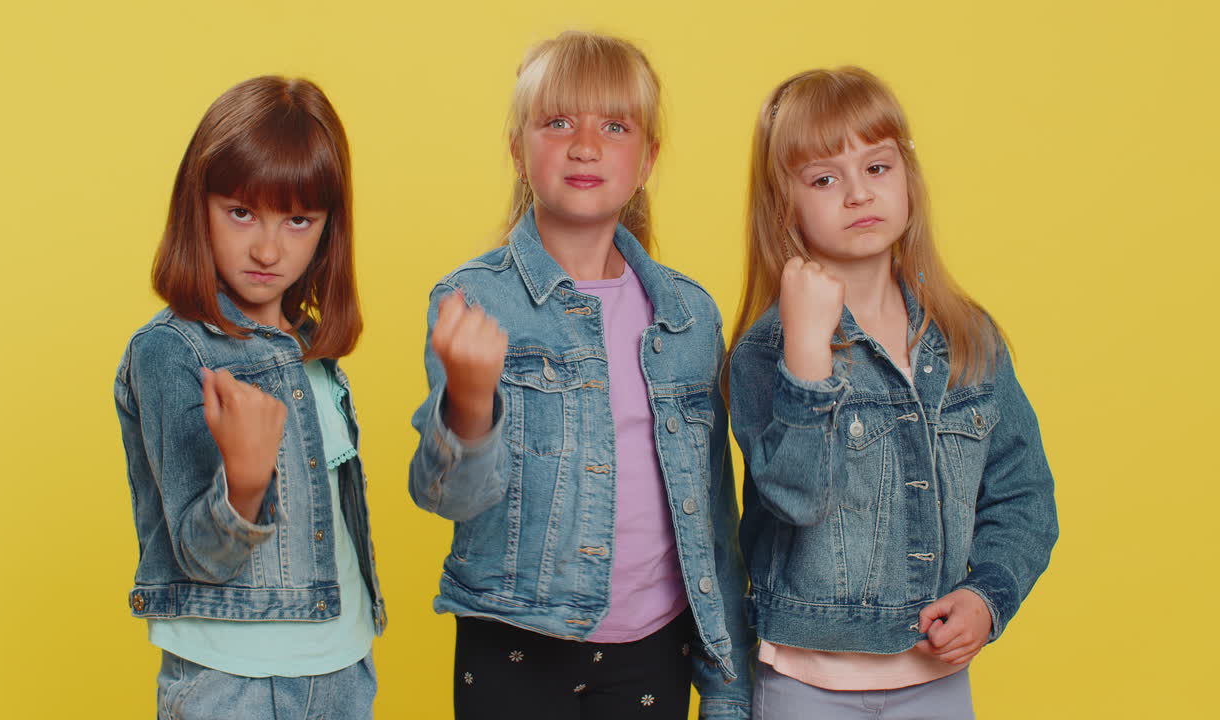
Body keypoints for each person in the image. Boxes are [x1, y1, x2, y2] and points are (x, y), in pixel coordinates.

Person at [408, 30, 753, 720]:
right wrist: (471, 408)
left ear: (648, 157)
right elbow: (445, 496)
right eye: (558, 121)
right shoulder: (474, 300)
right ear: (517, 148)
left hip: (655, 648)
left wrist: (727, 684)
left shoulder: (689, 315)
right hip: (514, 640)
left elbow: (715, 516)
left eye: (615, 126)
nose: (586, 145)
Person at [727, 67, 1058, 719]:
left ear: (907, 177)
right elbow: (797, 497)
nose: (857, 194)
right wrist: (808, 352)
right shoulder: (768, 350)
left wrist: (987, 595)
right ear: (784, 203)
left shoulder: (967, 338)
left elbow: (1024, 494)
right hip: (804, 680)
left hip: (934, 676)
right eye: (824, 178)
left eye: (876, 167)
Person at [114, 75, 384, 719]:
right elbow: (199, 554)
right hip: (229, 681)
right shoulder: (172, 352)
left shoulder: (313, 351)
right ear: (197, 206)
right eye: (241, 212)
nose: (267, 248)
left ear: (328, 228)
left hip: (342, 666)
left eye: (298, 220)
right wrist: (242, 482)